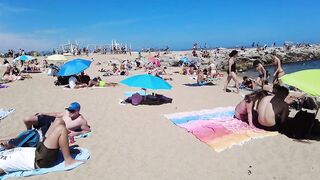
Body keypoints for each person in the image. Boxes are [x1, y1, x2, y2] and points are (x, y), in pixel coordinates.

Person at [0, 121, 82, 175]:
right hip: (39, 160)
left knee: (59, 122)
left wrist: (8, 146)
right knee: (61, 129)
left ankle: (63, 150)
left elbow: (15, 148)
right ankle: (68, 160)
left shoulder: (2, 151)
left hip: (38, 149)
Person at [23, 102, 91, 138]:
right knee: (26, 119)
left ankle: (30, 134)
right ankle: (29, 131)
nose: (69, 112)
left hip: (53, 129)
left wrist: (77, 133)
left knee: (36, 138)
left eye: (72, 111)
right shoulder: (67, 112)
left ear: (77, 111)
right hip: (51, 120)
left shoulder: (81, 121)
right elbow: (56, 114)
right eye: (68, 110)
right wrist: (43, 113)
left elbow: (87, 130)